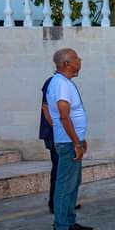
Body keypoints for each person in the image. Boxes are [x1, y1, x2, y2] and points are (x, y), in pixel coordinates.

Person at [46, 48, 93, 230]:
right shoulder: (61, 85)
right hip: (68, 143)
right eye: (76, 58)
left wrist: (81, 139)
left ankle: (69, 221)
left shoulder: (63, 83)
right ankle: (60, 228)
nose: (79, 60)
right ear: (66, 63)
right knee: (65, 187)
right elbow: (64, 116)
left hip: (72, 141)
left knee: (73, 185)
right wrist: (76, 142)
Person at [40, 76, 81, 214]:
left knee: (67, 173)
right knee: (60, 172)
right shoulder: (54, 83)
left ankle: (66, 206)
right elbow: (46, 109)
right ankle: (56, 205)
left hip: (64, 136)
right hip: (57, 136)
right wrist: (60, 130)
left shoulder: (64, 83)